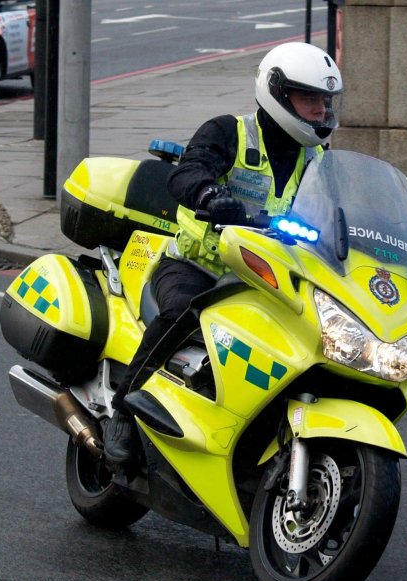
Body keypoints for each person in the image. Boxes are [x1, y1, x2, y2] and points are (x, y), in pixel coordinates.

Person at [102, 41, 344, 468]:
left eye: (325, 102)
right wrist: (211, 195)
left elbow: (340, 217)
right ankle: (123, 411)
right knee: (180, 310)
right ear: (279, 94)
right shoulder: (229, 132)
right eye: (310, 100)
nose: (321, 112)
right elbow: (188, 171)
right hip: (200, 266)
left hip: (266, 277)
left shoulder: (319, 160)